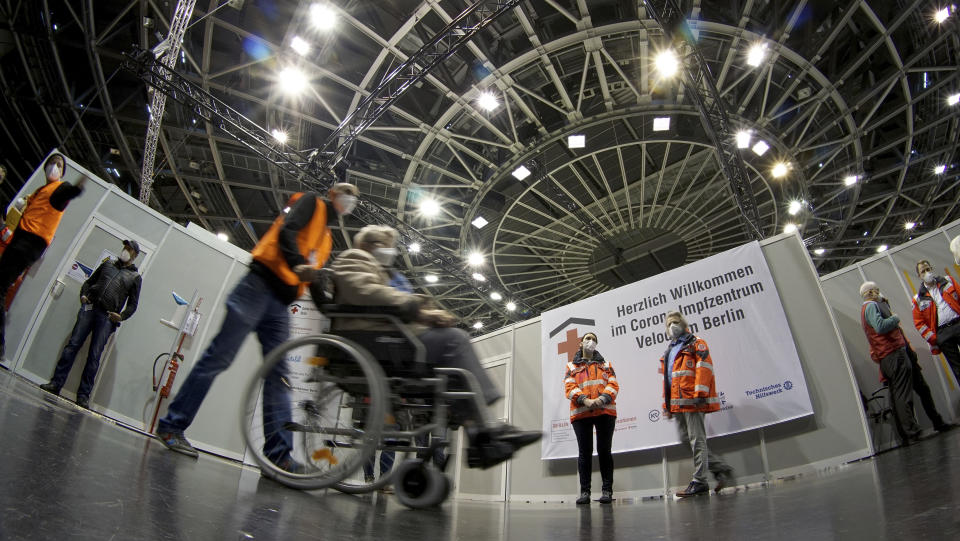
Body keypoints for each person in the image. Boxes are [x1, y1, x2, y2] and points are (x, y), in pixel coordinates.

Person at [155, 183, 360, 471]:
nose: (351, 200)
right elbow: (287, 230)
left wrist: (333, 312)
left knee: (280, 376)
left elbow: (312, 281)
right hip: (258, 286)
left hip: (280, 304)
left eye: (355, 198)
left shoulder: (326, 238)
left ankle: (280, 456)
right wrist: (298, 263)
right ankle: (171, 426)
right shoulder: (311, 203)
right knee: (219, 358)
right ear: (333, 193)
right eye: (348, 192)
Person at [326, 225, 541, 468]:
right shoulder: (354, 257)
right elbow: (362, 291)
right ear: (368, 244)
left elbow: (381, 299)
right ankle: (487, 430)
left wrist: (426, 312)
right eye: (384, 245)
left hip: (386, 339)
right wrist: (418, 309)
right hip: (373, 340)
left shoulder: (380, 270)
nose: (389, 251)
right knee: (455, 339)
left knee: (453, 368)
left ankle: (481, 434)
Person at [39, 240, 142, 408]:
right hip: (89, 308)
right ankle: (56, 384)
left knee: (94, 356)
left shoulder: (135, 278)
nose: (125, 250)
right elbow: (89, 282)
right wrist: (83, 295)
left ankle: (83, 396)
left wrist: (121, 316)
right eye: (125, 247)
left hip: (107, 319)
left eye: (129, 249)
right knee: (72, 346)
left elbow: (133, 305)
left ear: (135, 255)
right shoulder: (107, 264)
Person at [0, 154, 85, 356]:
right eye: (52, 163)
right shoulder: (41, 191)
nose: (54, 167)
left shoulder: (59, 189)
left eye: (59, 165)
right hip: (20, 243)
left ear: (62, 172)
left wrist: (77, 188)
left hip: (28, 245)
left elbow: (68, 193)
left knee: (0, 288)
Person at [861, 282, 953, 439]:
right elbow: (880, 327)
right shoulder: (870, 307)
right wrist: (895, 318)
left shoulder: (877, 306)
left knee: (921, 389)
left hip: (900, 353)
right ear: (870, 292)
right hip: (893, 354)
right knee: (903, 395)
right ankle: (912, 432)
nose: (879, 292)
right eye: (876, 290)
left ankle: (935, 422)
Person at [659, 311, 734, 497]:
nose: (672, 326)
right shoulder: (670, 350)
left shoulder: (695, 343)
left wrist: (700, 392)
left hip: (693, 399)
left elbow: (705, 366)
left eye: (675, 322)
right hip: (677, 403)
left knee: (697, 439)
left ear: (683, 324)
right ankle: (720, 468)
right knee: (686, 439)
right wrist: (667, 405)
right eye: (669, 324)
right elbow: (667, 380)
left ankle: (700, 481)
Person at [563, 332, 618, 505]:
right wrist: (584, 400)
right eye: (588, 338)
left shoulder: (606, 364)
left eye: (594, 339)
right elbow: (569, 387)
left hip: (604, 411)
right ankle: (585, 492)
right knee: (584, 453)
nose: (591, 341)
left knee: (604, 452)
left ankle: (607, 491)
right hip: (581, 413)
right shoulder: (571, 366)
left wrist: (601, 399)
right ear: (581, 343)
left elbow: (613, 384)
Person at [911, 260, 960, 383]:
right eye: (923, 271)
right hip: (943, 334)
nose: (927, 272)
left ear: (931, 268)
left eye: (928, 269)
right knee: (958, 369)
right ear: (919, 276)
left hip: (958, 324)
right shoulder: (918, 299)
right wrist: (934, 338)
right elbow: (919, 323)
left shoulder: (948, 281)